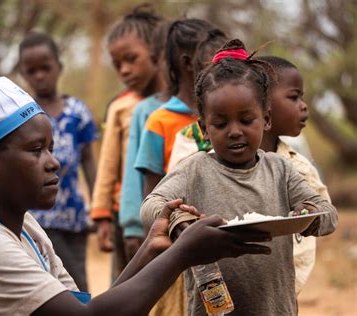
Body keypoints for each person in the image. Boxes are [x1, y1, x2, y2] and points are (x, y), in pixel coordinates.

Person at [0, 76, 273, 315]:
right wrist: (183, 253)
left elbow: (85, 308)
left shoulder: (23, 229)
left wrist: (151, 251)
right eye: (36, 150)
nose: (55, 163)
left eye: (51, 148)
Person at [140, 39, 338, 315]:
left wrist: (310, 216)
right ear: (204, 128)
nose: (234, 132)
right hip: (211, 308)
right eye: (220, 124)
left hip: (275, 308)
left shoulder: (280, 170)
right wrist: (177, 219)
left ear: (266, 119)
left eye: (246, 120)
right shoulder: (194, 169)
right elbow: (150, 206)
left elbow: (329, 214)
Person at [90, 6, 167, 279]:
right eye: (118, 64)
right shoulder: (121, 108)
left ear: (158, 55)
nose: (124, 70)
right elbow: (108, 164)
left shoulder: (175, 106)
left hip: (165, 210)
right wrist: (101, 217)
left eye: (131, 59)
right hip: (126, 215)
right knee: (125, 282)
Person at [18, 32, 97, 292]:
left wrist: (98, 205)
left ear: (59, 67)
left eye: (45, 68)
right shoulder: (21, 114)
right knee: (42, 288)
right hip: (34, 218)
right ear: (23, 73)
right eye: (32, 70)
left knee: (77, 285)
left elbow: (88, 160)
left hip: (73, 218)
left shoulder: (78, 112)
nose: (39, 75)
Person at [258, 55, 332, 295]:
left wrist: (311, 214)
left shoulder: (298, 167)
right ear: (263, 104)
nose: (303, 105)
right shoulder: (217, 163)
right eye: (294, 97)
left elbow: (326, 215)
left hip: (282, 290)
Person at [134, 21, 226, 198]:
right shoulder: (159, 122)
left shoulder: (230, 116)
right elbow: (152, 195)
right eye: (215, 59)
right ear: (188, 63)